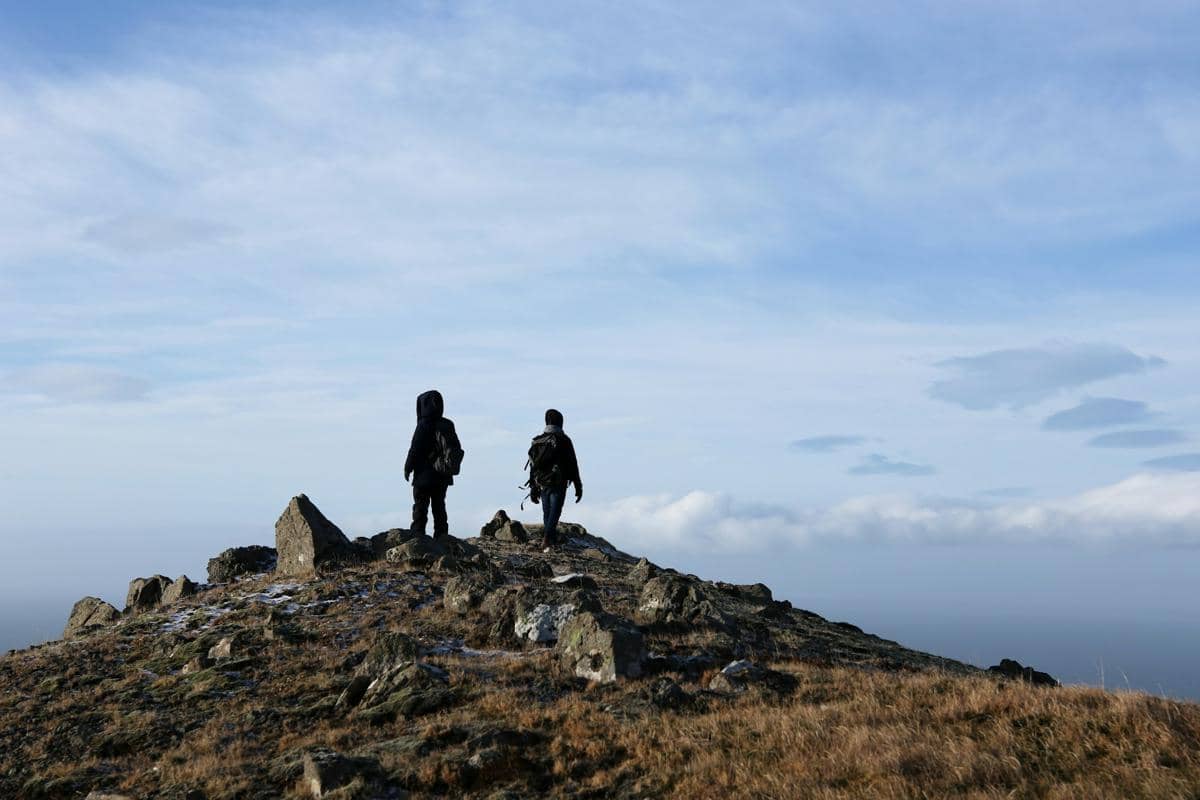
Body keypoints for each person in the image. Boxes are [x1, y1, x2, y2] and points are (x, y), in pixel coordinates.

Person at [404, 390, 462, 539]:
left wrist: (408, 467)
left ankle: (418, 536)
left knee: (420, 507)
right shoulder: (448, 424)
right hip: (443, 474)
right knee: (439, 506)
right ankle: (441, 535)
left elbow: (415, 448)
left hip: (424, 475)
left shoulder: (423, 424)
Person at [527, 408, 582, 550]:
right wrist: (578, 485)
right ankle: (547, 539)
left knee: (547, 512)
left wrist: (533, 486)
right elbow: (572, 463)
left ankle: (549, 541)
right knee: (555, 512)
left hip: (542, 482)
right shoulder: (564, 440)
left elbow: (533, 466)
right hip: (559, 481)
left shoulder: (537, 441)